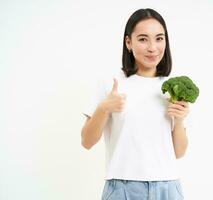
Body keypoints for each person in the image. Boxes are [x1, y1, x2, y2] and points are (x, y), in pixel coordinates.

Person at [81, 8, 190, 200]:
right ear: (128, 42)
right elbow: (87, 141)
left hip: (168, 188)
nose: (152, 47)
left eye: (159, 38)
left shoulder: (172, 88)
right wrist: (104, 108)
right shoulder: (111, 83)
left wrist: (179, 121)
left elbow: (179, 153)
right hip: (122, 189)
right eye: (142, 39)